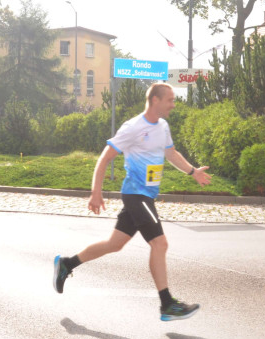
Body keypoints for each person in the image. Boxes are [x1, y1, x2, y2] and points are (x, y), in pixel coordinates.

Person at [54, 83, 211, 321]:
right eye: (170, 99)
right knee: (160, 244)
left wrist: (193, 172)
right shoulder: (133, 127)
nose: (173, 104)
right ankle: (167, 304)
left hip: (146, 196)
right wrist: (96, 192)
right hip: (136, 194)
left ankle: (67, 264)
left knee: (114, 244)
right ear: (155, 100)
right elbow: (104, 159)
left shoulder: (163, 126)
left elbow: (171, 154)